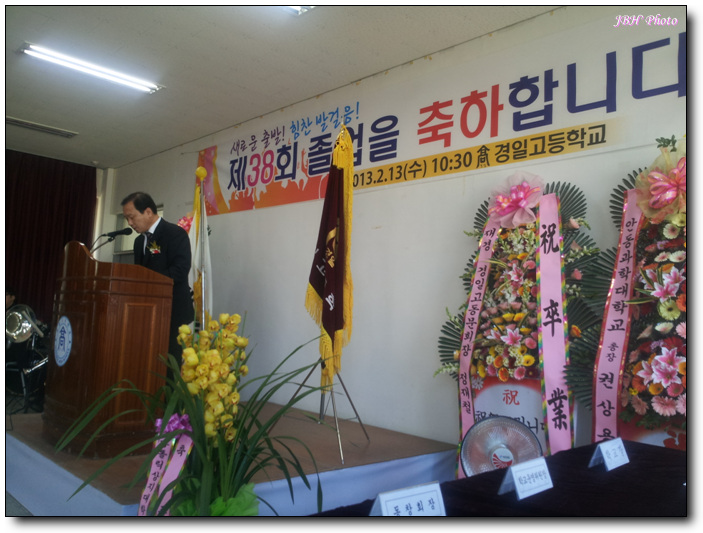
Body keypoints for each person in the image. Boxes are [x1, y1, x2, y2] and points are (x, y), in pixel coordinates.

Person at [121, 192, 194, 377]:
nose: (130, 223)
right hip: (147, 313)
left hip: (172, 313)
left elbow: (180, 270)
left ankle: (170, 397)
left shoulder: (174, 234)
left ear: (148, 212)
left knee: (169, 368)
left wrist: (149, 285)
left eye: (132, 217)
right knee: (149, 365)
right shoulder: (139, 242)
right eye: (127, 218)